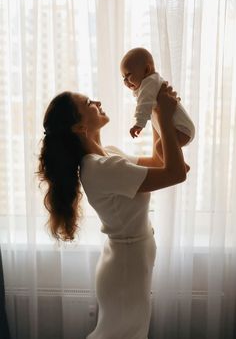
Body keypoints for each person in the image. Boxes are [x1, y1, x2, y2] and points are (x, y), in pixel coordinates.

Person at [37, 83, 189, 339]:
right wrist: (163, 116)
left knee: (128, 332)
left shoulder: (109, 157)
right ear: (79, 127)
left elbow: (160, 163)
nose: (96, 102)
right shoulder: (101, 168)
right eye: (88, 104)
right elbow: (176, 173)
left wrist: (155, 114)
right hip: (126, 267)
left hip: (129, 261)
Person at [120, 47, 195, 164]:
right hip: (181, 128)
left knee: (160, 148)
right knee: (164, 148)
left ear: (146, 70)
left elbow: (143, 105)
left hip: (181, 129)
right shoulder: (152, 83)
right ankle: (180, 165)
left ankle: (181, 167)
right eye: (123, 77)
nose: (125, 81)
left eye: (128, 75)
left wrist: (138, 124)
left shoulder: (149, 82)